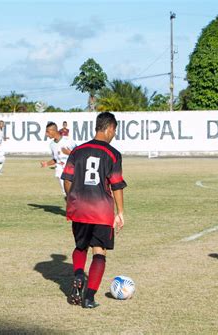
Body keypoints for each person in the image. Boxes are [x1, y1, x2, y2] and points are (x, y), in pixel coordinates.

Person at [61, 112, 126, 308]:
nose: (114, 134)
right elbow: (116, 184)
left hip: (79, 206)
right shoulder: (113, 154)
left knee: (81, 246)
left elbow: (67, 180)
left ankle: (79, 275)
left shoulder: (77, 151)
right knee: (99, 251)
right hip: (101, 210)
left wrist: (73, 198)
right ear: (109, 128)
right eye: (114, 130)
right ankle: (89, 297)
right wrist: (120, 212)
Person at [41, 122, 76, 195]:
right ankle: (70, 206)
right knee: (66, 193)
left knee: (75, 192)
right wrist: (47, 163)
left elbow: (80, 154)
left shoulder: (68, 141)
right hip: (60, 172)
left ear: (54, 130)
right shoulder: (52, 145)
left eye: (47, 131)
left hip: (71, 171)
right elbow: (55, 159)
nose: (46, 134)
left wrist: (69, 153)